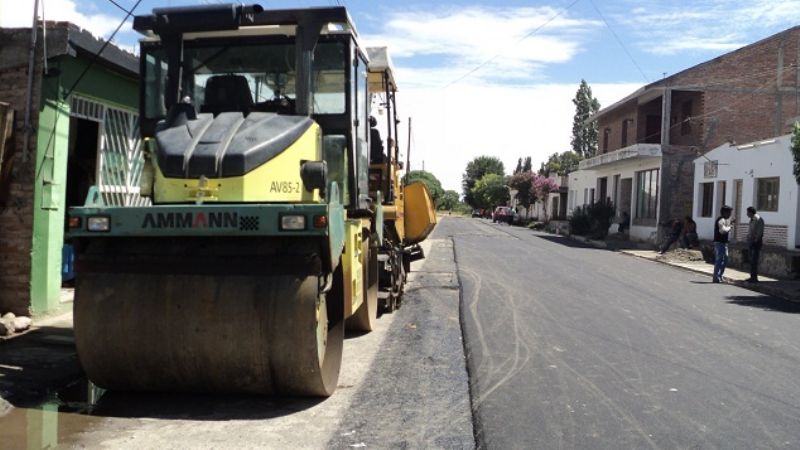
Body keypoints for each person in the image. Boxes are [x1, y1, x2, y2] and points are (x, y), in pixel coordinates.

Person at [712, 205, 734, 283]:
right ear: (725, 212)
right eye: (729, 212)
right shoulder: (721, 220)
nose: (730, 214)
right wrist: (730, 227)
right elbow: (722, 231)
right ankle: (716, 277)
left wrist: (730, 224)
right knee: (720, 260)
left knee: (724, 260)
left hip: (724, 243)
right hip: (720, 243)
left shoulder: (725, 220)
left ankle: (719, 276)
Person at [746, 206, 765, 282]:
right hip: (751, 242)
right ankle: (752, 276)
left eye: (748, 212)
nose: (747, 214)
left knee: (754, 261)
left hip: (756, 242)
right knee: (751, 260)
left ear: (751, 212)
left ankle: (754, 278)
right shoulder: (752, 219)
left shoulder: (758, 219)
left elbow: (759, 232)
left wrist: (755, 240)